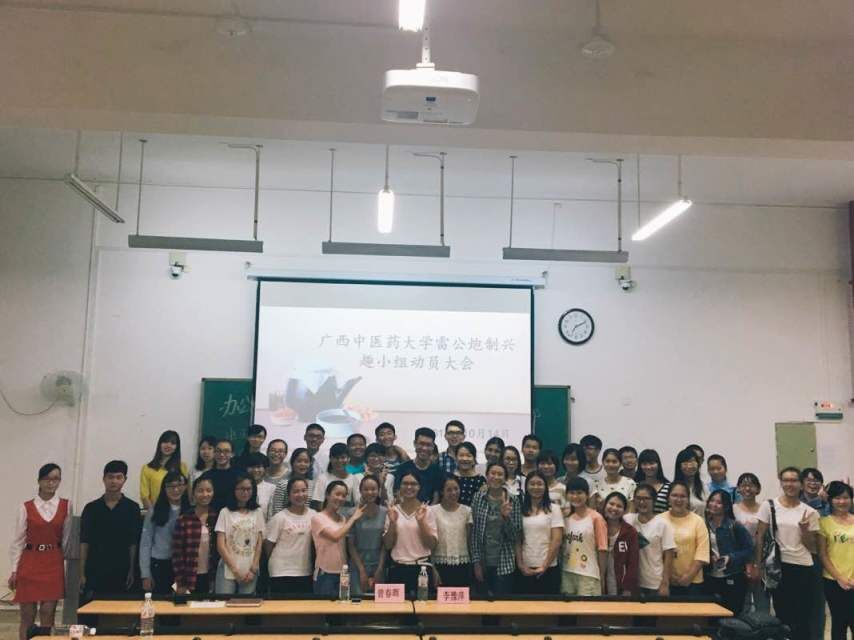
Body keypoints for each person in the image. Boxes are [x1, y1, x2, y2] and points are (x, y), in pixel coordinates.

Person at [755, 467, 821, 640]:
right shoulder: (769, 506)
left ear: (801, 484)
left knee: (803, 616)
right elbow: (760, 537)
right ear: (781, 483)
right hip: (778, 567)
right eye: (786, 480)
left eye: (794, 480)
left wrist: (805, 531)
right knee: (783, 615)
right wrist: (758, 565)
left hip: (803, 567)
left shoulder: (810, 512)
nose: (790, 484)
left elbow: (814, 549)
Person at [8, 464, 71, 640]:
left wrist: (62, 560)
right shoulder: (26, 507)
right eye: (47, 479)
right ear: (39, 481)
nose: (51, 483)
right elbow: (18, 541)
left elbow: (66, 538)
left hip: (53, 562)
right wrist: (14, 569)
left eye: (55, 479)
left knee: (48, 613)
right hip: (30, 561)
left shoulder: (66, 505)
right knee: (27, 615)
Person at [79, 460, 141, 595]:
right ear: (104, 479)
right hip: (95, 569)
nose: (114, 481)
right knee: (93, 607)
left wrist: (132, 570)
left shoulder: (132, 508)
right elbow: (84, 542)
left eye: (119, 477)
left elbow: (133, 542)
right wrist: (81, 572)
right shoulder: (91, 508)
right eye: (110, 477)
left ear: (125, 479)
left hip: (122, 569)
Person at [383, 472, 438, 595]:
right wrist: (392, 523)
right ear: (399, 487)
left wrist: (421, 522)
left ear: (419, 487)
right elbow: (388, 545)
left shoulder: (427, 511)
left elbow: (432, 545)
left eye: (413, 484)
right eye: (405, 483)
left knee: (423, 606)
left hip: (422, 569)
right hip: (397, 569)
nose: (409, 487)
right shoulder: (393, 510)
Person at [470, 463, 521, 595]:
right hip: (483, 562)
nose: (496, 477)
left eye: (500, 474)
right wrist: (476, 562)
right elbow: (474, 533)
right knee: (482, 604)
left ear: (505, 478)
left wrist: (505, 517)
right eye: (493, 473)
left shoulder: (513, 500)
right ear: (487, 476)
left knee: (502, 604)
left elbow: (515, 536)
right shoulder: (478, 497)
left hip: (504, 563)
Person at [214, 473, 266, 594]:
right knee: (224, 603)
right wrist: (235, 571)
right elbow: (220, 545)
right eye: (241, 489)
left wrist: (254, 568)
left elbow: (259, 543)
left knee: (246, 604)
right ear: (234, 490)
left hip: (250, 569)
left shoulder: (257, 512)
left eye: (249, 489)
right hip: (228, 568)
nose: (245, 492)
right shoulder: (225, 512)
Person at [311, 481, 365, 596]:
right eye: (337, 494)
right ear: (327, 495)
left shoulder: (343, 519)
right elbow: (335, 536)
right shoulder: (318, 518)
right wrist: (353, 518)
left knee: (343, 604)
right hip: (325, 573)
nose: (340, 498)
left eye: (344, 495)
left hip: (343, 573)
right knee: (323, 606)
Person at [704, 489, 753, 613]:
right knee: (712, 615)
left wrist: (730, 557)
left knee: (732, 613)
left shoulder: (734, 526)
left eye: (719, 502)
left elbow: (749, 549)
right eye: (712, 501)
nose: (714, 504)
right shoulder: (703, 525)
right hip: (710, 576)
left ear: (726, 507)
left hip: (733, 575)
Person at [140, 470, 188, 593]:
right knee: (160, 602)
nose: (175, 490)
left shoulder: (191, 510)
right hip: (159, 564)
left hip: (184, 565)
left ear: (185, 486)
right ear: (164, 488)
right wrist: (145, 574)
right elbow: (145, 543)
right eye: (170, 486)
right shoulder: (154, 511)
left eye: (179, 485)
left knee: (182, 602)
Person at [264, 478, 316, 595]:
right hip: (280, 571)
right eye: (295, 491)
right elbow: (268, 545)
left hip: (304, 570)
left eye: (303, 490)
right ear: (288, 495)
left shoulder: (314, 515)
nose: (300, 495)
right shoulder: (280, 517)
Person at [658, 481, 710, 594]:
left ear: (688, 499)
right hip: (664, 581)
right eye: (674, 495)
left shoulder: (698, 521)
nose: (678, 500)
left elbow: (702, 553)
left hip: (693, 581)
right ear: (668, 498)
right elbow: (654, 552)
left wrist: (688, 576)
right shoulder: (659, 520)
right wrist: (668, 576)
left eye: (683, 496)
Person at [817, 481, 853, 640]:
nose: (842, 501)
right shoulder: (824, 522)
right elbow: (823, 554)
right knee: (839, 621)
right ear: (830, 500)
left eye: (846, 497)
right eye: (837, 498)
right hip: (833, 580)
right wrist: (840, 578)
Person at [515, 471, 562, 594]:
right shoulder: (520, 509)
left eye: (540, 484)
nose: (536, 487)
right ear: (526, 487)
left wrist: (544, 566)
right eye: (532, 484)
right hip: (525, 567)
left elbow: (556, 540)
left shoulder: (554, 509)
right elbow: (518, 539)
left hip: (549, 567)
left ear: (545, 487)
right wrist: (520, 564)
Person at [625, 483, 675, 596]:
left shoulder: (663, 524)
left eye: (646, 498)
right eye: (638, 498)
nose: (642, 502)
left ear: (654, 500)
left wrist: (665, 583)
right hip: (632, 582)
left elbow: (669, 555)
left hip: (655, 583)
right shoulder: (627, 520)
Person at [561, 476, 607, 595]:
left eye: (579, 493)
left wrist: (602, 575)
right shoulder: (565, 517)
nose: (575, 496)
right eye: (572, 493)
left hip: (588, 574)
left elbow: (602, 549)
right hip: (567, 572)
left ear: (587, 495)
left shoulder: (596, 518)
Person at [172, 477, 218, 594]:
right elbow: (177, 554)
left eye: (208, 490)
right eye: (200, 491)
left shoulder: (217, 517)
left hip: (213, 576)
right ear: (193, 494)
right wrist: (181, 582)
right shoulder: (184, 519)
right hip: (190, 576)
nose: (205, 494)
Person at [345, 475, 387, 595]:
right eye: (366, 489)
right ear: (360, 490)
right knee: (357, 601)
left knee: (379, 602)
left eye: (373, 489)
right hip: (357, 563)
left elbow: (385, 544)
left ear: (378, 490)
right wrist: (361, 570)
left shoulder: (385, 512)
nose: (370, 492)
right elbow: (350, 545)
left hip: (379, 563)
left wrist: (380, 568)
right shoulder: (352, 513)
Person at [733, 472, 769, 613]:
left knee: (762, 598)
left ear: (758, 489)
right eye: (743, 485)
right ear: (738, 489)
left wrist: (757, 564)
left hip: (761, 558)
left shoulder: (764, 509)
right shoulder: (733, 509)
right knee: (743, 600)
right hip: (740, 560)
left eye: (751, 485)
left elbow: (764, 536)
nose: (747, 489)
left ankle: (764, 624)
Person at [429, 476, 473, 587]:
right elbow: (428, 544)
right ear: (442, 492)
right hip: (438, 564)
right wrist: (432, 567)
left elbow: (469, 541)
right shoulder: (432, 511)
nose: (453, 493)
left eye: (456, 489)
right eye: (449, 490)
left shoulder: (467, 511)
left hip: (462, 564)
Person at [393, 428, 445, 504]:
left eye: (428, 445)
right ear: (415, 443)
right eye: (421, 444)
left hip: (429, 510)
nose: (424, 448)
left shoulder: (437, 471)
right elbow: (398, 494)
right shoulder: (402, 468)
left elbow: (436, 499)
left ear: (433, 446)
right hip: (406, 510)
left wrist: (426, 511)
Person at [602, 491, 640, 596]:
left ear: (624, 510)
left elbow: (633, 562)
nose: (614, 508)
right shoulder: (597, 526)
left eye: (619, 506)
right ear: (605, 505)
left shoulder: (630, 532)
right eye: (611, 504)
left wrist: (628, 588)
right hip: (600, 582)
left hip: (621, 584)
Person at [139, 430, 187, 510]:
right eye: (165, 442)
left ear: (176, 447)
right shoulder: (147, 468)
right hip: (156, 512)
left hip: (178, 512)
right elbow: (144, 496)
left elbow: (185, 492)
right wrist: (153, 513)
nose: (168, 445)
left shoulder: (182, 467)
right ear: (160, 444)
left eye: (172, 443)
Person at [311, 442, 362, 510]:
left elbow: (358, 503)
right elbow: (318, 504)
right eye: (336, 458)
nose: (339, 461)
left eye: (343, 457)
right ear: (330, 458)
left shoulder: (354, 479)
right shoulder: (322, 478)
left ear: (348, 458)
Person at [200, 439, 242, 511]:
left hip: (233, 514)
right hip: (211, 514)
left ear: (232, 454)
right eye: (218, 451)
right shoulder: (206, 476)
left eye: (226, 451)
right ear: (214, 453)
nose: (221, 454)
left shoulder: (240, 475)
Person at [634, 449, 671, 514]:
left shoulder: (669, 487)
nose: (648, 467)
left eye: (652, 463)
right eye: (644, 464)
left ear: (658, 464)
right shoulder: (634, 486)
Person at [674, 448, 708, 517]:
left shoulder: (703, 486)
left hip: (701, 523)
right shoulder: (674, 488)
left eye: (692, 461)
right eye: (685, 463)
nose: (689, 466)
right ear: (679, 466)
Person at [244, 452, 275, 518]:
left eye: (259, 467)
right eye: (252, 467)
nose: (255, 470)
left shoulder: (272, 488)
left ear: (265, 469)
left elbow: (271, 514)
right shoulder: (239, 487)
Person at [454, 442, 485, 506]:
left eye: (468, 456)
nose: (465, 459)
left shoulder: (481, 480)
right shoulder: (450, 478)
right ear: (456, 457)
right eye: (461, 455)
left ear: (474, 458)